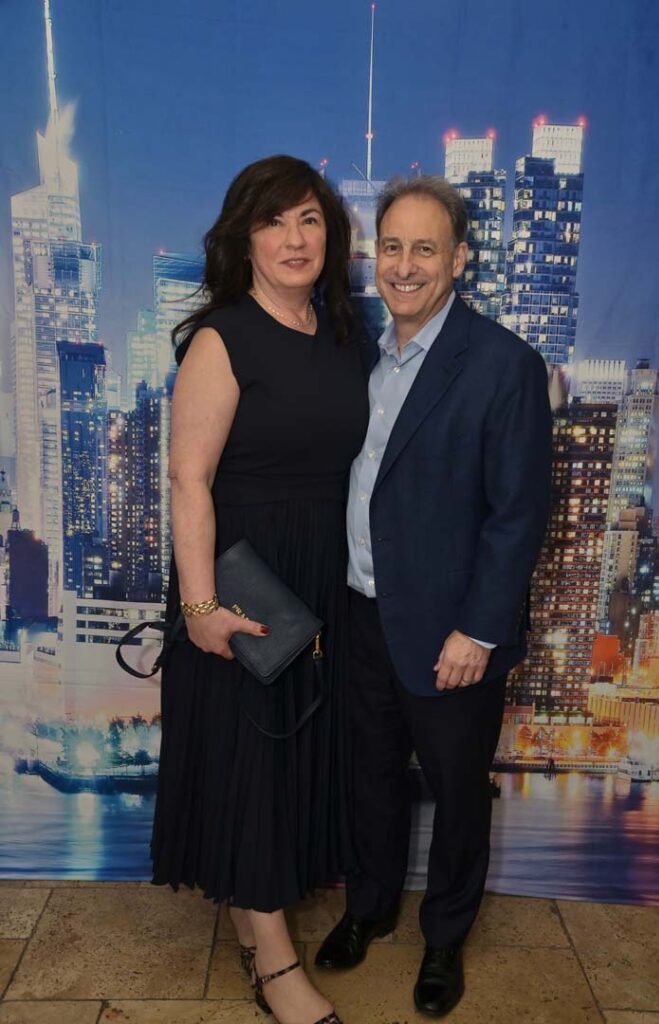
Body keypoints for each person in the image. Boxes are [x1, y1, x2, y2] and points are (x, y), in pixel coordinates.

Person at [315, 177, 553, 1018]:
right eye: (391, 246)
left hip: (451, 632)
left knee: (456, 794)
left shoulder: (503, 365)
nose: (404, 265)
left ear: (459, 259)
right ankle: (370, 909)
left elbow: (518, 514)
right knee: (369, 778)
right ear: (371, 256)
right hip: (360, 613)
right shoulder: (361, 355)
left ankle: (445, 937)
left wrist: (479, 632)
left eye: (425, 248)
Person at [150, 155, 368, 1024]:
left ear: (331, 237)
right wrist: (201, 607)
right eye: (274, 221)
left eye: (309, 219)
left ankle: (252, 914)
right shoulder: (223, 338)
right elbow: (188, 479)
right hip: (244, 579)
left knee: (289, 758)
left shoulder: (346, 334)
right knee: (254, 759)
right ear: (244, 239)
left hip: (322, 574)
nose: (294, 238)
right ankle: (277, 966)